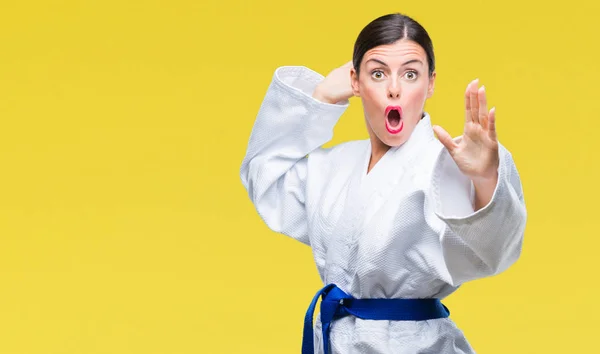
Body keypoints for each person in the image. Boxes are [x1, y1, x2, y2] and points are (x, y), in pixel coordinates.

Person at [240, 12, 527, 354]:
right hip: (336, 340)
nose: (394, 89)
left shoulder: (443, 166)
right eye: (378, 73)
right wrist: (319, 98)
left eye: (410, 74)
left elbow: (492, 253)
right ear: (356, 81)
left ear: (431, 83)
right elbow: (264, 176)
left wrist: (483, 179)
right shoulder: (334, 166)